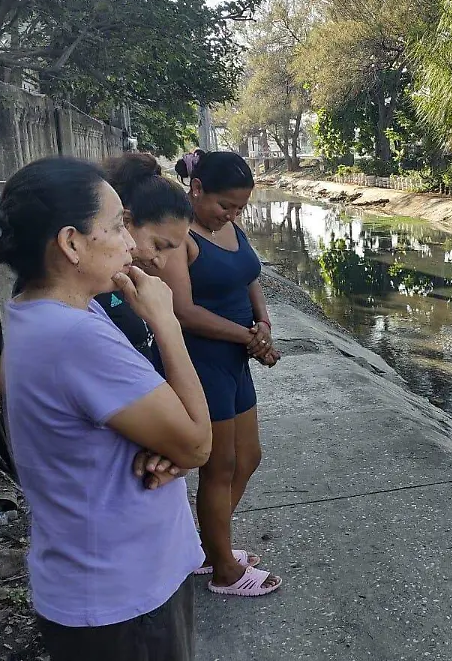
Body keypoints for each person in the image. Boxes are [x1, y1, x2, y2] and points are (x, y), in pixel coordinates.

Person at [0, 157, 216, 660]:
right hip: (126, 595)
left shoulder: (39, 308)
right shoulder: (76, 336)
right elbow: (199, 442)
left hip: (89, 581)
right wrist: (167, 323)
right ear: (71, 243)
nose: (132, 244)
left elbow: (9, 381)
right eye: (117, 227)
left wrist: (145, 438)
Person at [157, 149, 282, 596]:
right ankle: (224, 571)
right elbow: (184, 311)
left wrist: (263, 322)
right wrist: (248, 337)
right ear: (196, 190)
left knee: (248, 458)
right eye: (223, 205)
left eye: (238, 207)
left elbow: (252, 275)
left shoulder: (231, 227)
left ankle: (210, 548)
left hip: (236, 355)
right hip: (202, 360)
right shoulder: (180, 237)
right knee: (220, 466)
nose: (229, 214)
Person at [95, 153, 196, 361]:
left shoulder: (126, 281)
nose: (161, 263)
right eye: (158, 246)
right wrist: (166, 324)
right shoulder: (86, 291)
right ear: (125, 221)